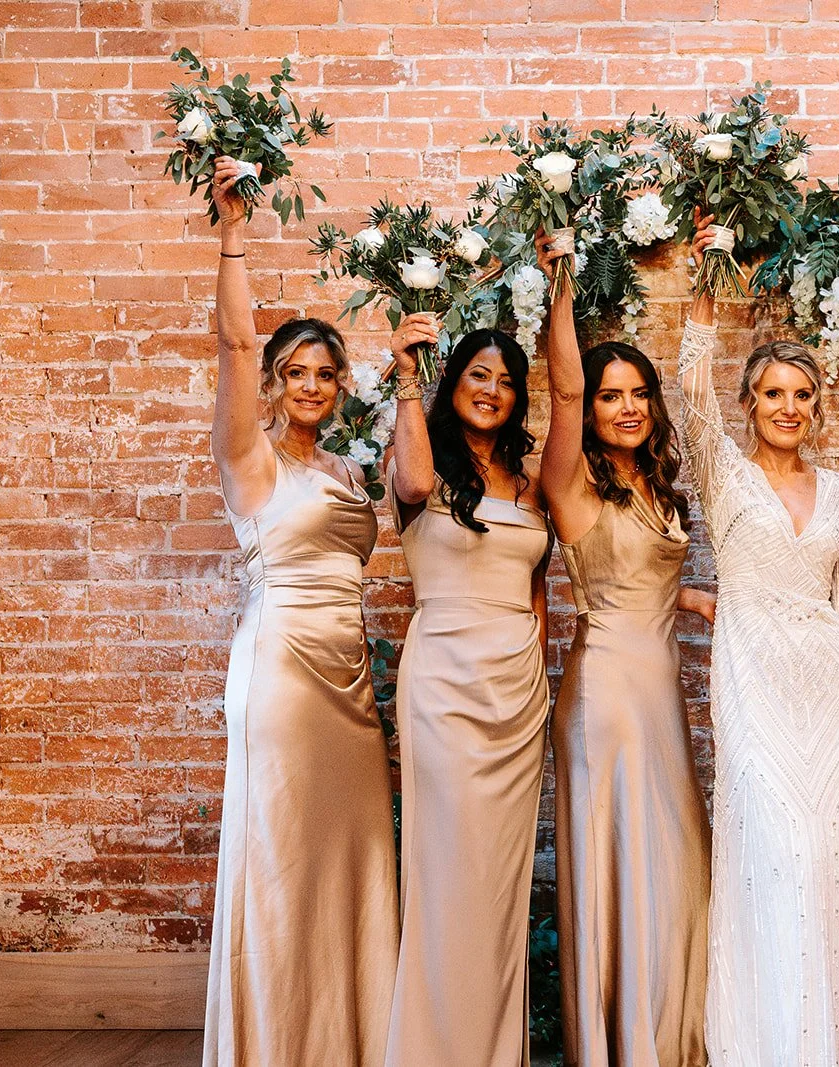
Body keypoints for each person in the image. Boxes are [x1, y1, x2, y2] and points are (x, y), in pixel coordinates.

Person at [676, 212, 839, 1065]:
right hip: (755, 686)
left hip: (833, 691)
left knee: (836, 863)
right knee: (776, 854)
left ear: (818, 405)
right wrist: (708, 276)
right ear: (750, 404)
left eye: (803, 395)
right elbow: (689, 389)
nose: (789, 407)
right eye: (773, 393)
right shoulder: (723, 475)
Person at [201, 155, 397, 1066]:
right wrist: (235, 234)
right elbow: (234, 345)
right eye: (296, 371)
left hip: (351, 687)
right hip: (280, 670)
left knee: (348, 861)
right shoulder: (253, 461)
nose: (312, 385)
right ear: (274, 381)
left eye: (326, 372)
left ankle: (348, 1040)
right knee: (280, 860)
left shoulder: (349, 471)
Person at [535, 235, 714, 1067]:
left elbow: (636, 570)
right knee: (619, 865)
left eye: (639, 394)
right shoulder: (570, 484)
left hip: (660, 696)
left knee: (671, 864)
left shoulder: (655, 484)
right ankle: (619, 1046)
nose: (628, 408)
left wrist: (697, 595)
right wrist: (561, 281)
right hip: (605, 696)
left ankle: (671, 1037)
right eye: (612, 397)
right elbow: (563, 387)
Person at [382, 320, 551, 1067]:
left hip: (517, 692)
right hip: (445, 681)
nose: (493, 390)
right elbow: (416, 486)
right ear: (454, 384)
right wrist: (405, 372)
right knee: (448, 868)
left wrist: (538, 673)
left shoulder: (530, 481)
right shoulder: (419, 463)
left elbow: (539, 587)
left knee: (498, 883)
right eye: (478, 375)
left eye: (507, 380)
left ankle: (492, 1049)